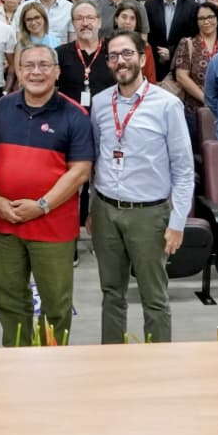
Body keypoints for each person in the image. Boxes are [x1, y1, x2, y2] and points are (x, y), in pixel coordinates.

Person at [0, 43, 93, 346]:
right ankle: (15, 356)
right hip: (6, 221)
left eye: (44, 65)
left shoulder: (75, 115)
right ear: (17, 71)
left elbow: (80, 172)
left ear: (57, 72)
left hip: (53, 226)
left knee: (55, 303)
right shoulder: (0, 109)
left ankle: (51, 365)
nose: (36, 72)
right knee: (8, 297)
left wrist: (42, 205)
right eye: (28, 65)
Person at [89, 29, 194, 344]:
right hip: (106, 210)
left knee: (154, 297)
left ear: (142, 57)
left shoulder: (167, 105)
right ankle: (112, 359)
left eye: (127, 54)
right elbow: (98, 160)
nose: (121, 61)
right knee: (111, 293)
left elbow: (185, 169)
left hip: (149, 215)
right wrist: (94, 208)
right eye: (114, 56)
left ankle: (157, 367)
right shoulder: (99, 103)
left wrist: (177, 222)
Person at [172, 2, 218, 125]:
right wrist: (206, 99)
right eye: (201, 18)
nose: (206, 21)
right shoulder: (188, 43)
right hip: (195, 110)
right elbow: (181, 76)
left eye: (210, 17)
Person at [56, 1, 114, 108]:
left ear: (99, 22)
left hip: (106, 117)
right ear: (73, 24)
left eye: (90, 17)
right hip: (70, 119)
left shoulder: (113, 53)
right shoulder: (59, 54)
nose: (85, 23)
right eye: (79, 18)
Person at [145, 0, 198, 79]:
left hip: (181, 66)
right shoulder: (149, 6)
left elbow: (193, 36)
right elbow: (148, 35)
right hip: (156, 64)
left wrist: (172, 52)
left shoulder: (192, 7)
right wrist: (159, 53)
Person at [112, 4, 157, 82]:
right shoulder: (107, 45)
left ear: (136, 23)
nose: (128, 22)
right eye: (124, 17)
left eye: (132, 18)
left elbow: (151, 79)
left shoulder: (144, 47)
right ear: (116, 19)